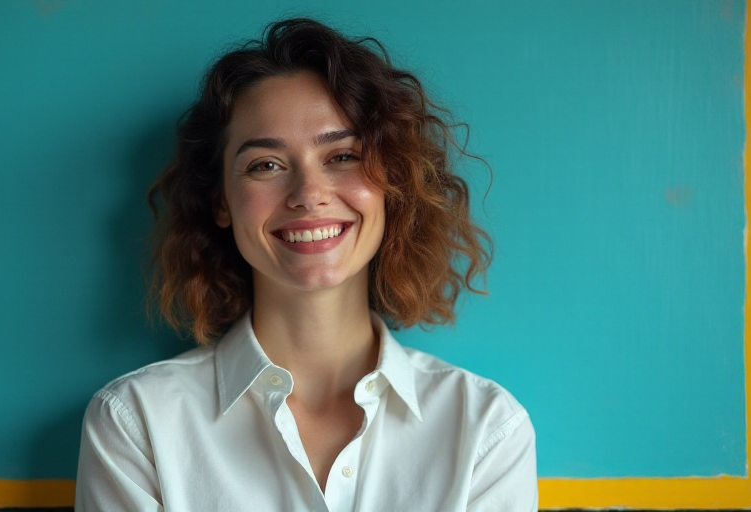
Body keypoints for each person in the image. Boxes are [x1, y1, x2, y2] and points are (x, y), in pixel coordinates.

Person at [75, 17, 537, 512]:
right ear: (221, 201)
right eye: (265, 165)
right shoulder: (135, 425)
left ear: (393, 183)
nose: (309, 194)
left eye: (343, 156)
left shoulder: (486, 430)